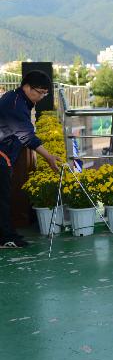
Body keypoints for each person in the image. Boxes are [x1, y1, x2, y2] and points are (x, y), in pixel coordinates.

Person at [0, 70, 60, 248]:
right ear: (26, 87)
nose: (41, 97)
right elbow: (27, 136)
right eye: (39, 92)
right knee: (2, 198)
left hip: (5, 154)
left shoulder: (18, 98)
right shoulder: (16, 104)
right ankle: (6, 238)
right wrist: (49, 157)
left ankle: (6, 234)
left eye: (44, 93)